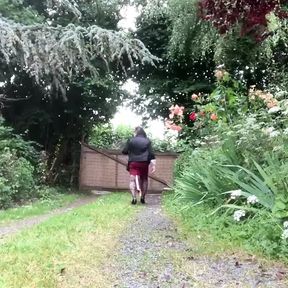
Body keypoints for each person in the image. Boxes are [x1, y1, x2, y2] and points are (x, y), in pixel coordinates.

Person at [122, 127, 156, 205]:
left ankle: (134, 197)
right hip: (144, 163)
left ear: (136, 132)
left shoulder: (131, 140)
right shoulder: (147, 141)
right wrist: (153, 164)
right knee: (144, 179)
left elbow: (124, 151)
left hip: (133, 162)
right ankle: (143, 197)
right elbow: (151, 153)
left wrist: (131, 153)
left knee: (132, 180)